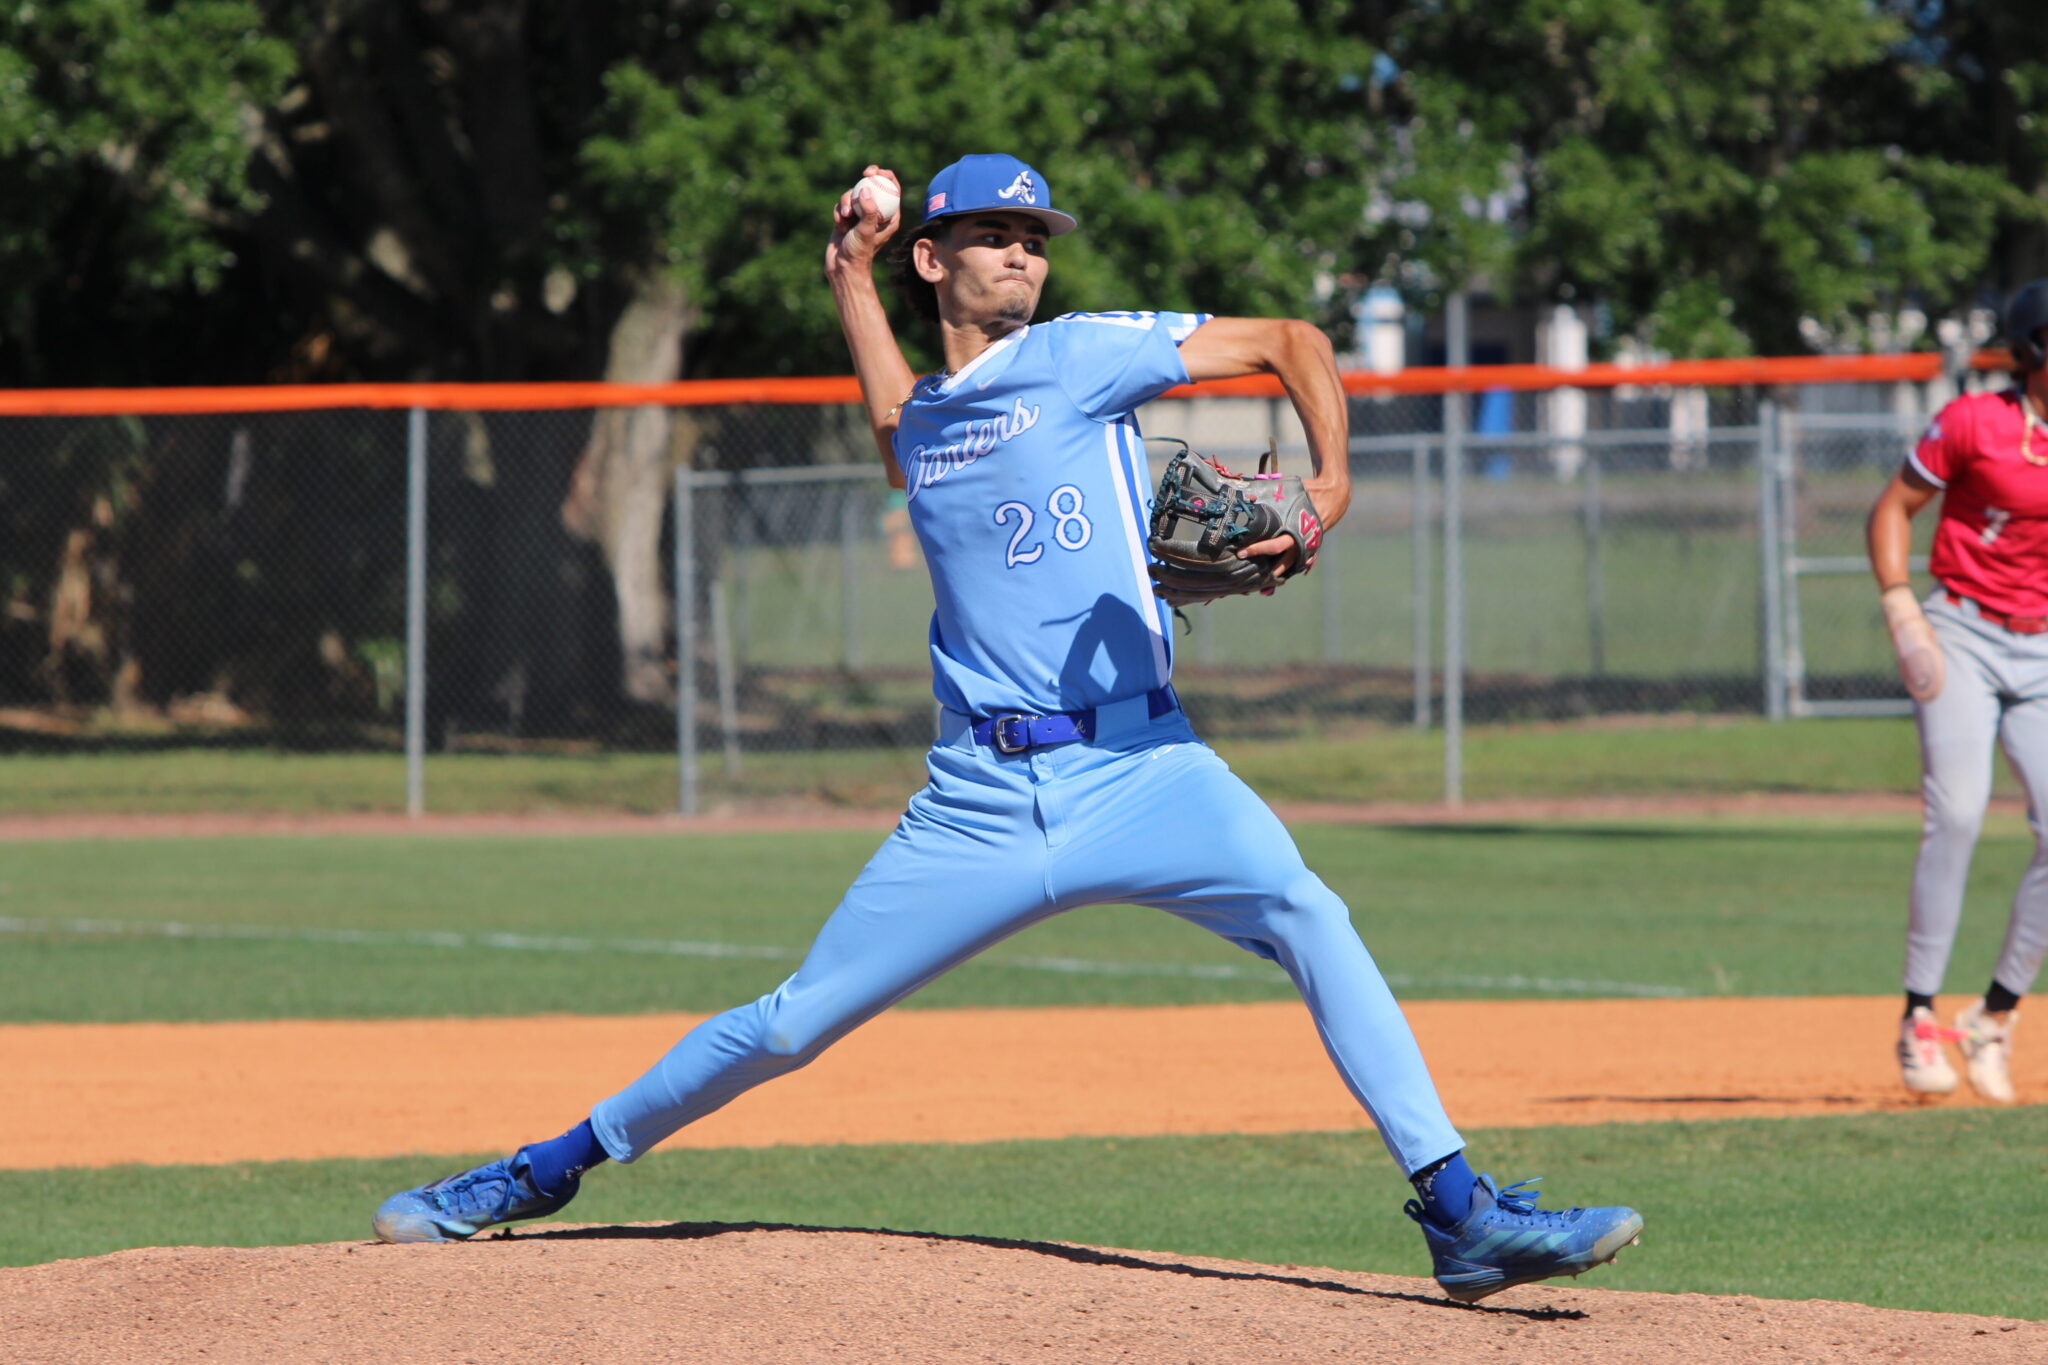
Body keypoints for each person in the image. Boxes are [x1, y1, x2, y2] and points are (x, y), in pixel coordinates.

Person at [370, 154, 1642, 1305]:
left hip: (1146, 767)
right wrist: (846, 275)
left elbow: (1297, 341)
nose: (1021, 252)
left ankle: (1459, 1214)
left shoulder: (1082, 353)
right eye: (991, 233)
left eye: (1032, 233)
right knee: (793, 1024)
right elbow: (895, 427)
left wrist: (1327, 486)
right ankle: (539, 1171)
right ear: (935, 259)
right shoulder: (926, 422)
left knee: (1308, 911)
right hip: (977, 799)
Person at [1868, 279, 2048, 1104]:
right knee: (1961, 812)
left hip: (2042, 646)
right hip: (1965, 633)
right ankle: (1918, 1016)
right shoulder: (1977, 420)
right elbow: (1895, 507)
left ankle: (1997, 1015)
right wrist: (1903, 607)